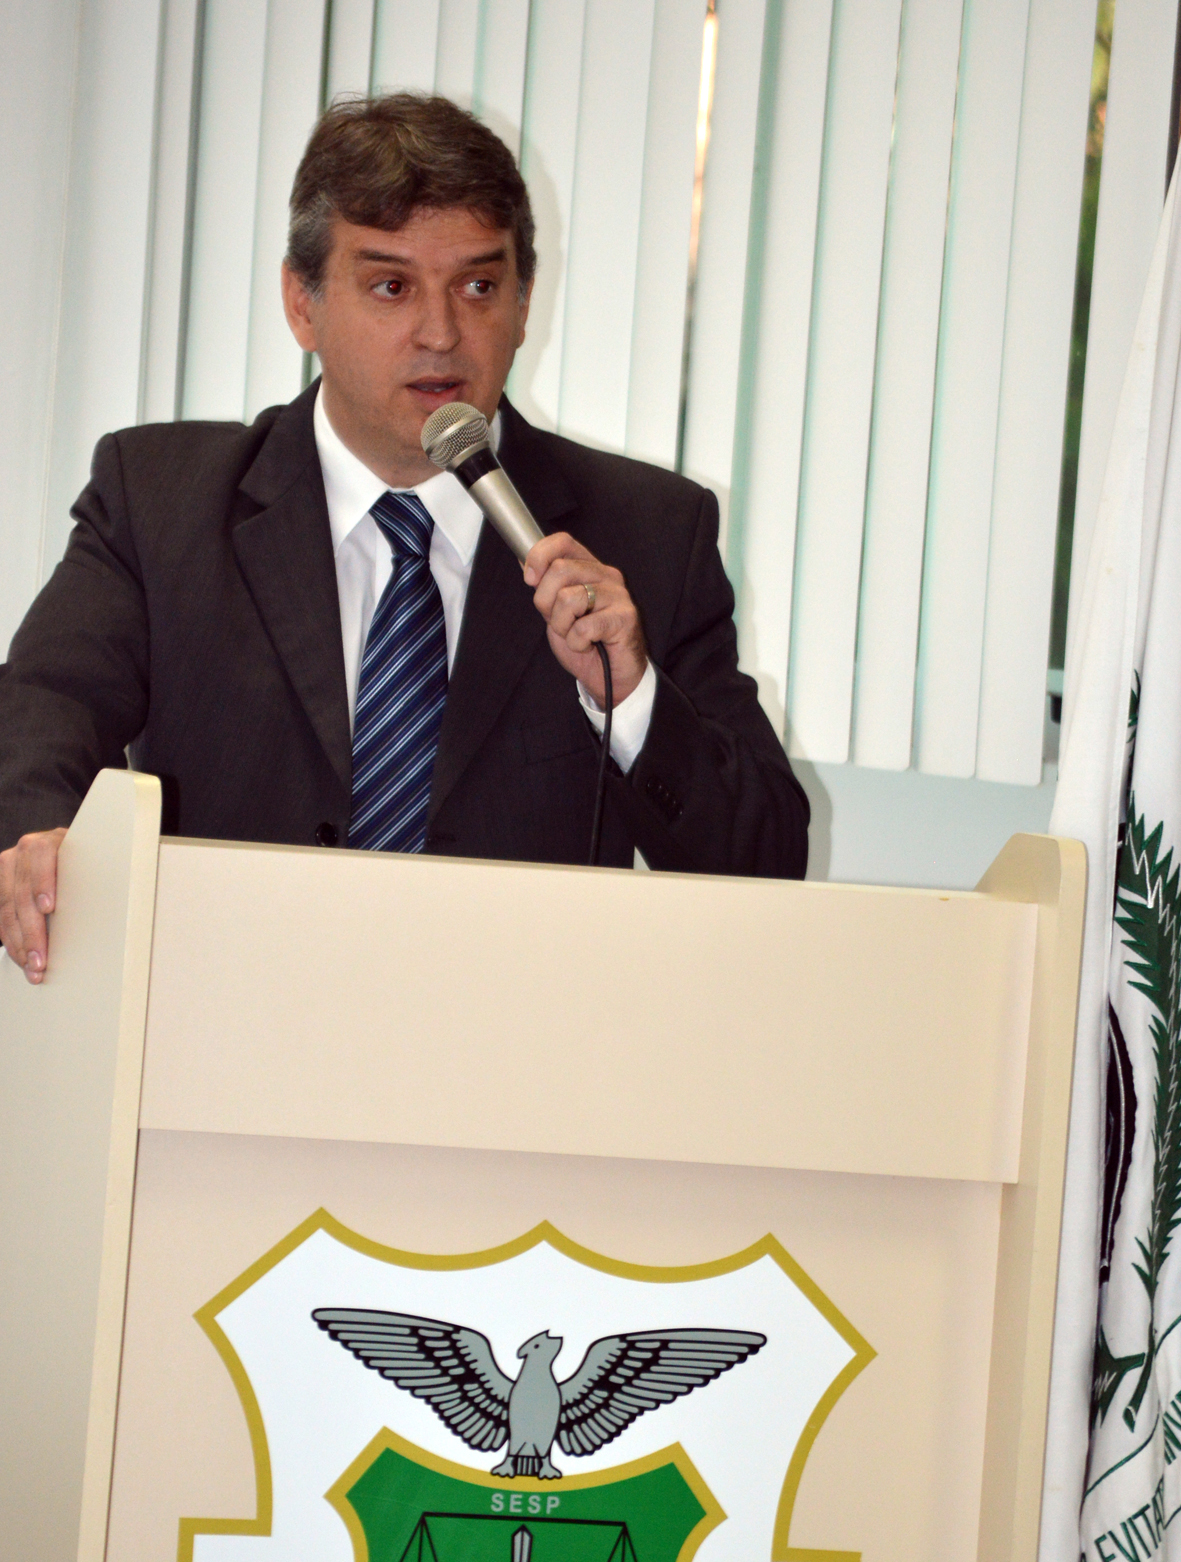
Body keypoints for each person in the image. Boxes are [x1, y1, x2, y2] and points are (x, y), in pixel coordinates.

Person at [0, 93, 808, 984]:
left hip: (516, 1046)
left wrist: (633, 697)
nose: (441, 333)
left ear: (524, 303)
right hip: (218, 1021)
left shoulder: (645, 534)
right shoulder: (162, 502)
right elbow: (42, 714)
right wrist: (45, 840)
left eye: (478, 286)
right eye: (391, 286)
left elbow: (767, 861)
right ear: (301, 304)